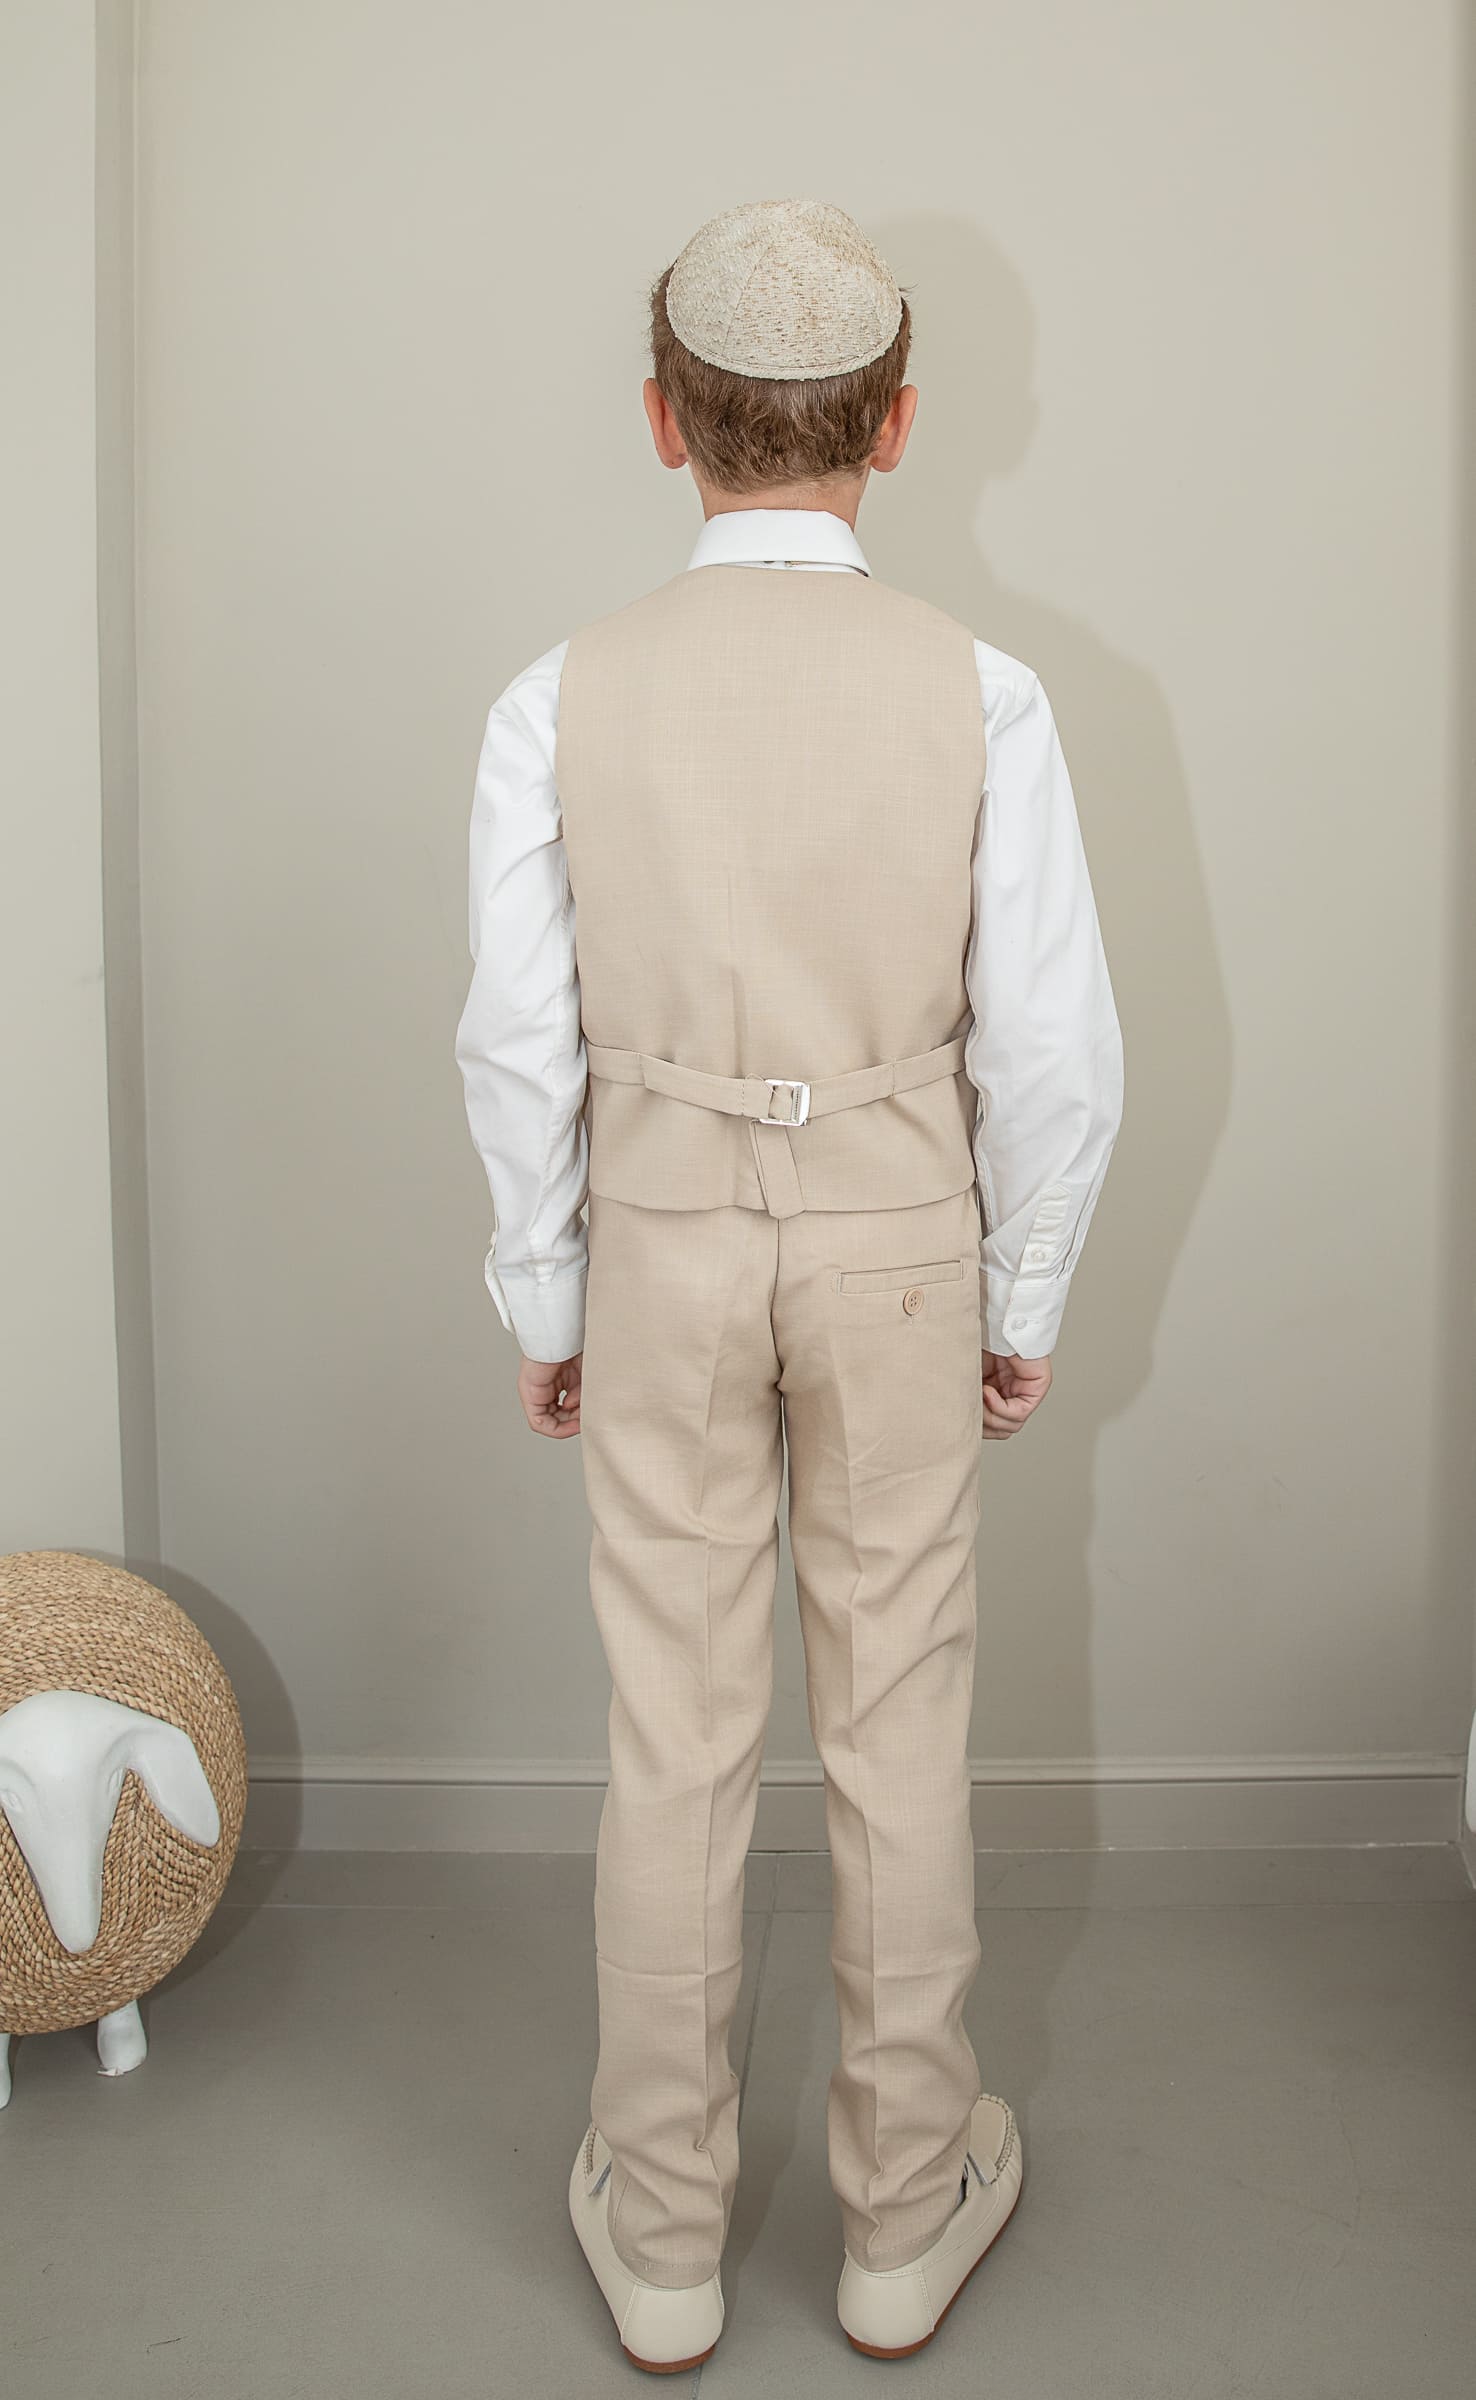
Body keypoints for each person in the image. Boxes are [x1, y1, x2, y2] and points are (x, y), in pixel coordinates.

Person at [454, 196, 1124, 2372]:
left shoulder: (557, 694)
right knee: (900, 1722)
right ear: (897, 425)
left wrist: (547, 1300)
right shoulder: (985, 690)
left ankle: (662, 2237)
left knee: (675, 1731)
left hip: (661, 1239)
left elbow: (515, 1041)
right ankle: (901, 2217)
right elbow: (1052, 1044)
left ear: (664, 421)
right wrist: (1023, 1295)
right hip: (899, 1244)